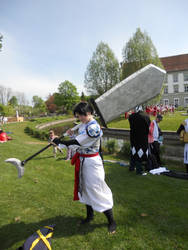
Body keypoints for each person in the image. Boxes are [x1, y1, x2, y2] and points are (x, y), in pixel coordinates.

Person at [52, 102, 116, 233]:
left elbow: (78, 142)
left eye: (81, 115)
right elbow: (77, 139)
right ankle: (90, 216)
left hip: (92, 162)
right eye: (78, 115)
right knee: (85, 188)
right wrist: (70, 134)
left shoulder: (94, 128)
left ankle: (111, 221)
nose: (79, 118)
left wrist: (61, 142)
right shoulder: (84, 124)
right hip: (83, 161)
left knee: (97, 189)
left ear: (89, 113)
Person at [128, 106, 151, 174]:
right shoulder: (146, 116)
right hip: (142, 138)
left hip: (133, 137)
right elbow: (148, 127)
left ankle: (131, 167)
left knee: (133, 152)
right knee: (140, 153)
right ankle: (139, 170)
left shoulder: (131, 116)